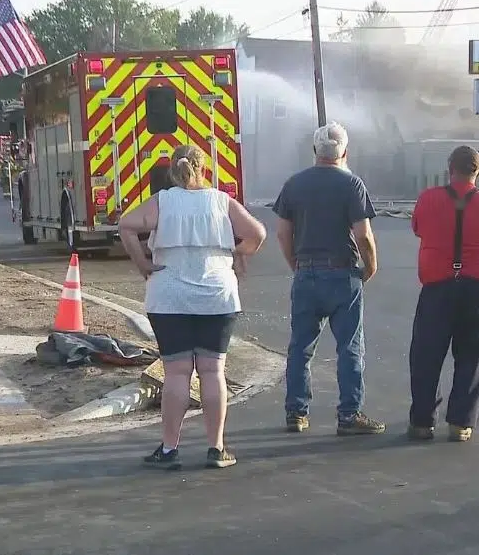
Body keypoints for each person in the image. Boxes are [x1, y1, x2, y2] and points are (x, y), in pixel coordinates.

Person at [117, 144, 266, 469]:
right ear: (204, 170)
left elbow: (126, 225)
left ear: (172, 171)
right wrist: (238, 252)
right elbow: (257, 233)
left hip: (169, 297)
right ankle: (216, 448)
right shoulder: (221, 201)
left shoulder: (163, 201)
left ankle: (169, 449)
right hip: (217, 295)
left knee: (176, 372)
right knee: (212, 371)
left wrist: (142, 263)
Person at [273, 122, 386, 436]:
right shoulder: (352, 185)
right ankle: (349, 414)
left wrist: (296, 265)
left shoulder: (294, 184)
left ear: (315, 150)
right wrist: (370, 267)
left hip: (306, 272)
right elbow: (363, 235)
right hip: (341, 274)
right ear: (345, 152)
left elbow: (282, 233)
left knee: (300, 347)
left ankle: (296, 413)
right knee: (349, 348)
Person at [407, 146, 479, 442]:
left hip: (437, 283)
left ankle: (422, 421)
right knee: (472, 354)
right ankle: (461, 422)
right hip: (478, 284)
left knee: (426, 355)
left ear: (450, 168)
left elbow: (418, 228)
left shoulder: (428, 198)